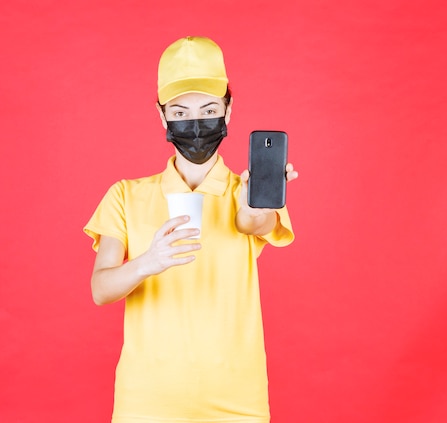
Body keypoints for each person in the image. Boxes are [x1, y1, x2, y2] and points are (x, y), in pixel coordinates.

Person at [84, 36, 298, 423]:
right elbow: (101, 289)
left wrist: (256, 204)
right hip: (146, 402)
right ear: (162, 115)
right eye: (180, 112)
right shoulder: (125, 195)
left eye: (209, 109)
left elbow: (252, 222)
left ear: (228, 112)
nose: (195, 123)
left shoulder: (245, 192)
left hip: (238, 401)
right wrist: (147, 262)